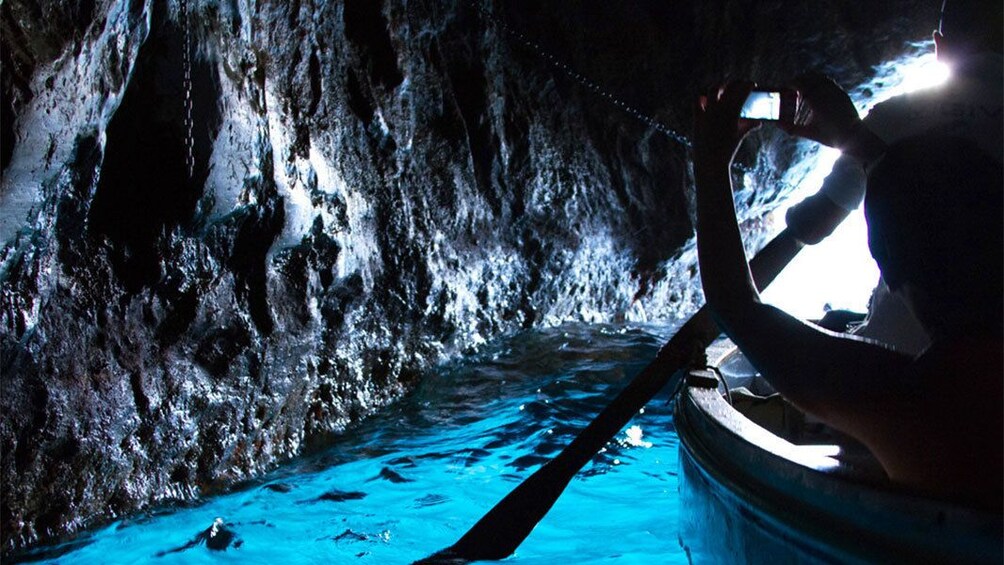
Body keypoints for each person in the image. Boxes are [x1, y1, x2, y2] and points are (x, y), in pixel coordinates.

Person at [692, 81, 1002, 508]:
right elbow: (934, 201)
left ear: (886, 269)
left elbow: (735, 307)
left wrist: (710, 165)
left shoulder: (910, 402)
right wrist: (858, 141)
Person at [783, 0, 1003, 355]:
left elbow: (813, 226)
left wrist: (791, 214)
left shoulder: (894, 117)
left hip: (900, 361)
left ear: (939, 46)